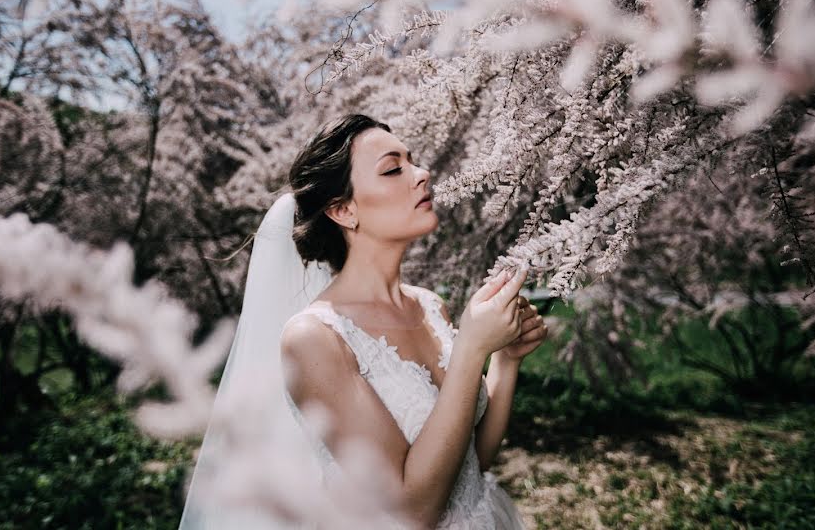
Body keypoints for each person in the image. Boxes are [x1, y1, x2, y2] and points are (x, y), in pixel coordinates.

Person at [178, 113, 548, 530]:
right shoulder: (314, 339)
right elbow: (412, 512)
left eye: (413, 161)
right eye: (393, 169)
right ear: (344, 211)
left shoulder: (431, 307)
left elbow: (468, 461)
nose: (422, 174)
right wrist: (471, 351)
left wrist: (506, 360)